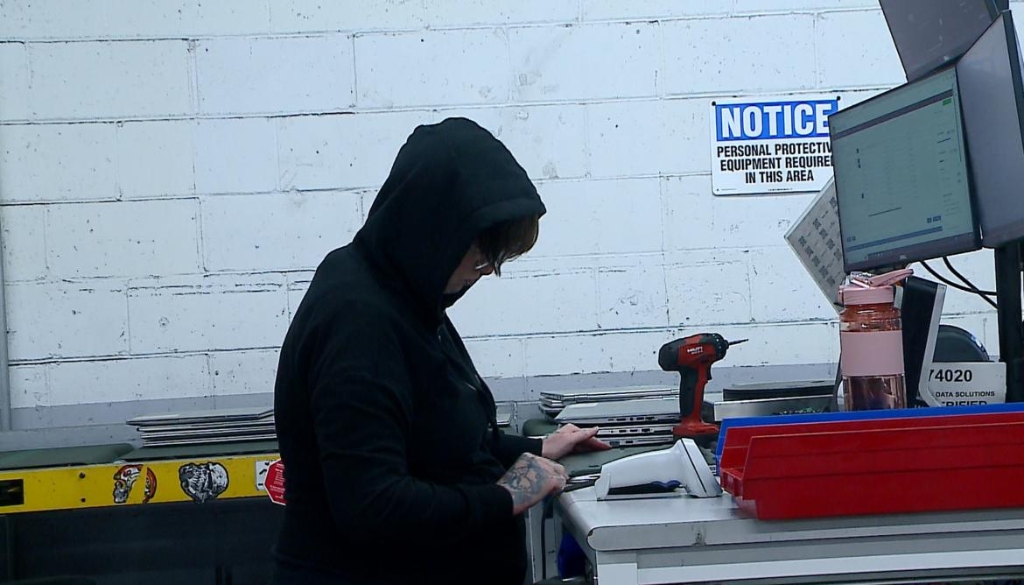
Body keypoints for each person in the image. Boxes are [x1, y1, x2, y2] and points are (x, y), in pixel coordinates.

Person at [270, 117, 610, 585]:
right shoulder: (359, 321)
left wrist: (531, 448)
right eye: (481, 252)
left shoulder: (401, 293)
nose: (487, 270)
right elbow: (373, 504)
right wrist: (506, 495)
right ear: (435, 227)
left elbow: (436, 439)